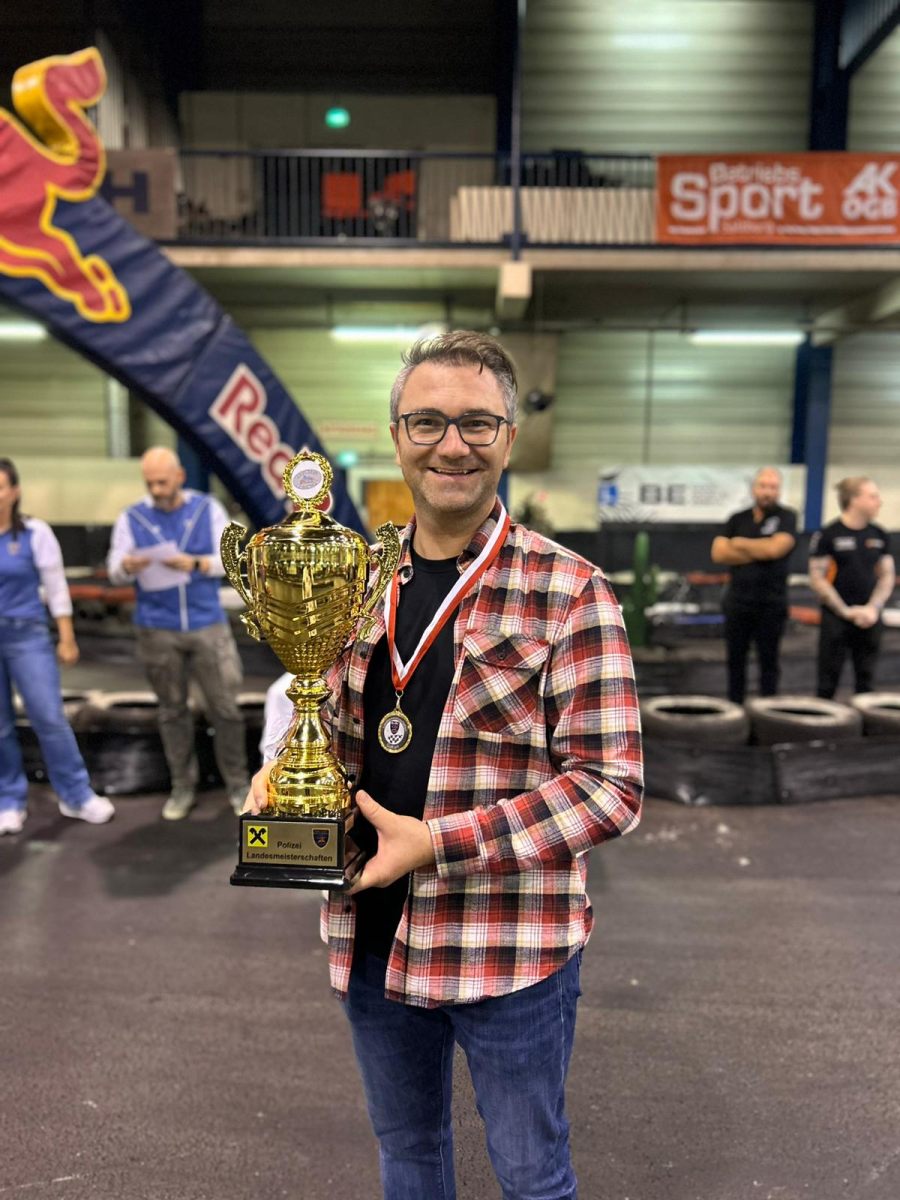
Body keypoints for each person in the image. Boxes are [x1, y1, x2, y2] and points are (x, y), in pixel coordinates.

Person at [246, 331, 644, 1200]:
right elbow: (326, 718)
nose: (451, 445)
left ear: (509, 437)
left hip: (507, 947)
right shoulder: (354, 575)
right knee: (409, 1154)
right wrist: (283, 771)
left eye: (476, 423)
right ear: (398, 435)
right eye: (427, 422)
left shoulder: (570, 590)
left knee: (532, 1176)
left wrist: (438, 843)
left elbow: (610, 789)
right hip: (371, 932)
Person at [107, 447, 250, 820]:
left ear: (180, 477)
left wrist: (197, 563)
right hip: (156, 628)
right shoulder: (132, 517)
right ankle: (182, 787)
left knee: (225, 709)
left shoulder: (207, 509)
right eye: (150, 483)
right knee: (172, 711)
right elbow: (114, 569)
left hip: (207, 624)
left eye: (162, 482)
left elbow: (229, 559)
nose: (156, 490)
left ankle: (238, 785)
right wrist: (127, 565)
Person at [0, 457, 114, 835]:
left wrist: (66, 636)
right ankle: (9, 800)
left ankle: (77, 795)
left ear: (14, 492)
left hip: (27, 635)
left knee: (48, 716)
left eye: (0, 487)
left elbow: (56, 587)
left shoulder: (35, 532)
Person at [711, 467, 798, 704]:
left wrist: (738, 543)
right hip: (737, 602)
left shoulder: (787, 517)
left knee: (769, 662)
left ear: (779, 490)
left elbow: (775, 549)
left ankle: (768, 709)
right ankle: (735, 707)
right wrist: (761, 548)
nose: (767, 492)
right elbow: (718, 553)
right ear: (754, 489)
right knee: (735, 661)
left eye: (773, 487)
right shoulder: (737, 519)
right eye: (763, 486)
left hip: (771, 604)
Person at [808, 476, 895, 698]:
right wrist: (845, 611)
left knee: (866, 683)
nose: (879, 502)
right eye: (873, 496)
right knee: (827, 683)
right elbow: (817, 579)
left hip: (870, 617)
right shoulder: (828, 535)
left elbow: (887, 576)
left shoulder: (879, 534)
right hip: (837, 617)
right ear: (855, 499)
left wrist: (873, 608)